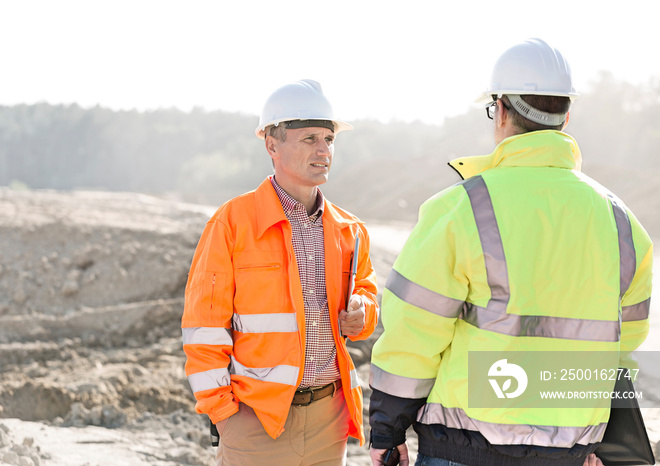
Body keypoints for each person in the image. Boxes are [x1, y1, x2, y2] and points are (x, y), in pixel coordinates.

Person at [368, 38, 653, 466]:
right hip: (569, 452)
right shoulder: (622, 223)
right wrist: (605, 441)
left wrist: (388, 430)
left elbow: (414, 331)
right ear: (566, 115)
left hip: (462, 445)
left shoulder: (463, 207)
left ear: (500, 110)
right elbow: (622, 347)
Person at [182, 79, 379, 465]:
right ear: (272, 145)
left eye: (329, 139)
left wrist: (363, 313)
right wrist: (224, 416)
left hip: (328, 418)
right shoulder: (233, 222)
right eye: (309, 139)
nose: (324, 150)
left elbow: (368, 296)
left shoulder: (349, 230)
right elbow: (203, 328)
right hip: (255, 420)